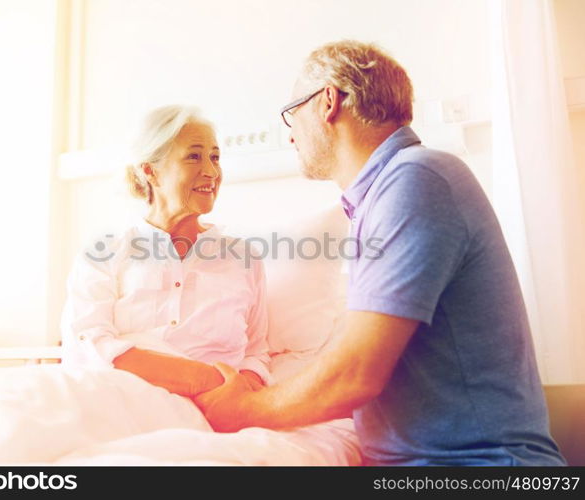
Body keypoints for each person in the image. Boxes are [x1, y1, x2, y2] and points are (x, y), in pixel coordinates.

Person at [194, 40, 566, 466]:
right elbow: (352, 352)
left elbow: (354, 373)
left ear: (327, 102)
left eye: (291, 112)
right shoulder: (387, 194)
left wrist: (241, 410)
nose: (289, 132)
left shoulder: (418, 177)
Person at [61, 105, 271, 398]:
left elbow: (257, 352)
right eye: (194, 157)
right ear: (150, 172)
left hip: (217, 410)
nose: (211, 172)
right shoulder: (105, 252)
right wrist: (203, 380)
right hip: (119, 399)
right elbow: (89, 344)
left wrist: (240, 395)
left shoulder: (243, 259)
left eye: (215, 157)